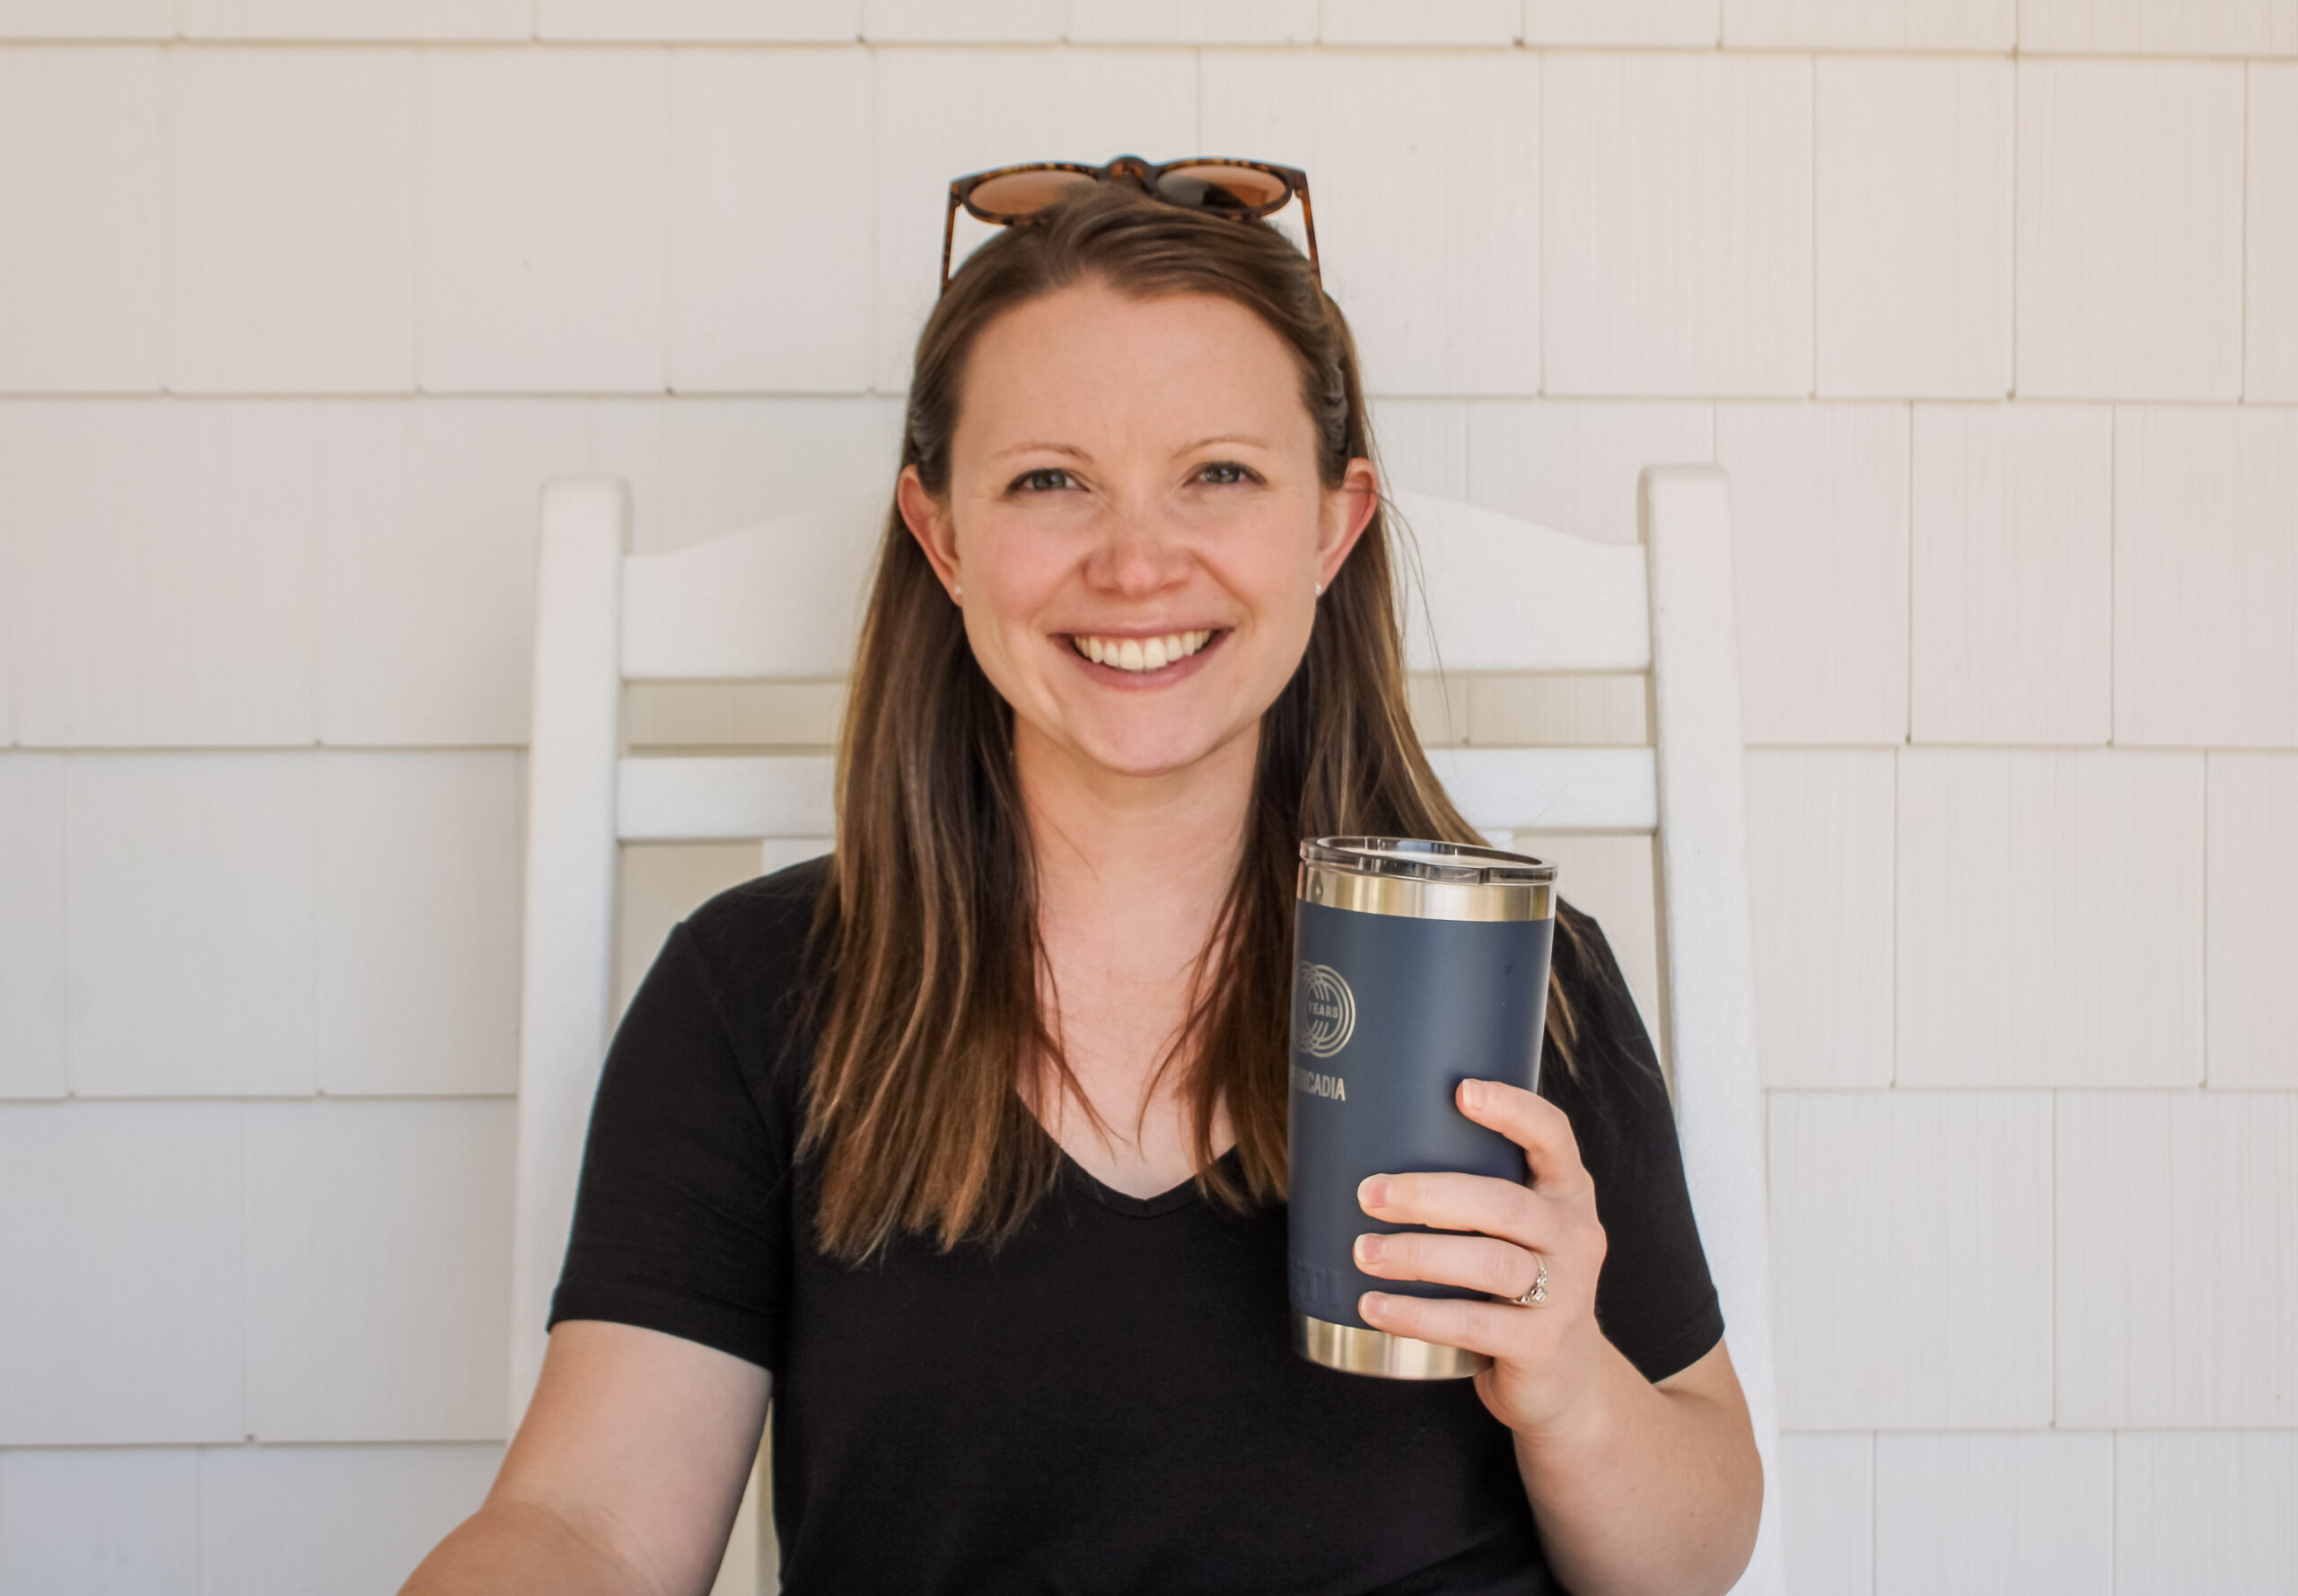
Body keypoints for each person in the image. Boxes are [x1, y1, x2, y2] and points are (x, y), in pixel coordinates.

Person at [403, 160, 1762, 1596]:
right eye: (1051, 481)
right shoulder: (756, 995)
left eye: (1218, 474)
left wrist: (1571, 1384)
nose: (1135, 564)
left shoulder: (1510, 980)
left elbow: (1689, 1556)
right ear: (942, 534)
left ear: (1333, 524)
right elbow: (591, 1527)